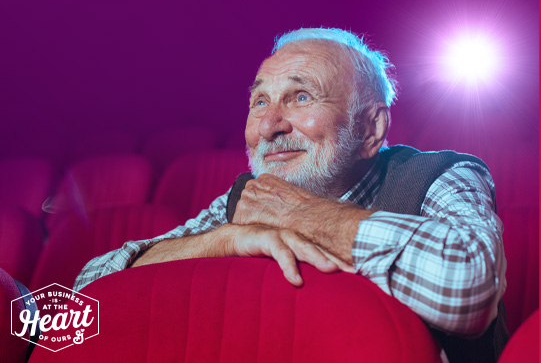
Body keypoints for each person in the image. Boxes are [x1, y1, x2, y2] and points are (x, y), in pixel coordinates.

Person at [74, 28, 508, 362]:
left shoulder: (442, 175)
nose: (269, 126)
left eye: (301, 97)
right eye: (260, 102)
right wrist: (220, 241)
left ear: (372, 129)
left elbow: (470, 287)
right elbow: (88, 291)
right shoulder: (249, 198)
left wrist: (303, 215)